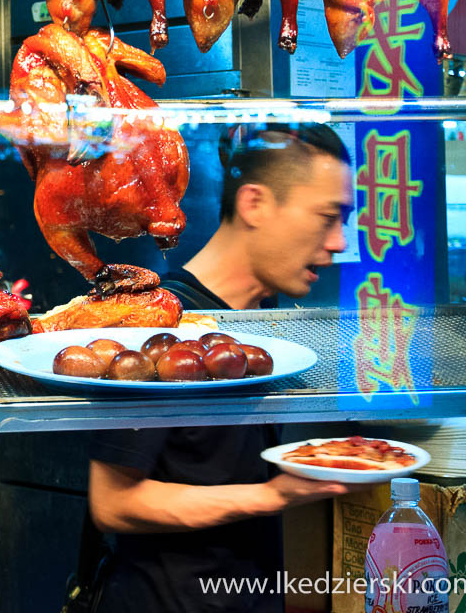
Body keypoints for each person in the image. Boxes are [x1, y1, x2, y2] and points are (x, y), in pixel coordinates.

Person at [78, 123, 360, 613]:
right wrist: (274, 496)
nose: (338, 242)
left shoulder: (268, 321)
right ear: (254, 204)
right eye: (327, 216)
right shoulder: (165, 325)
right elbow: (113, 503)